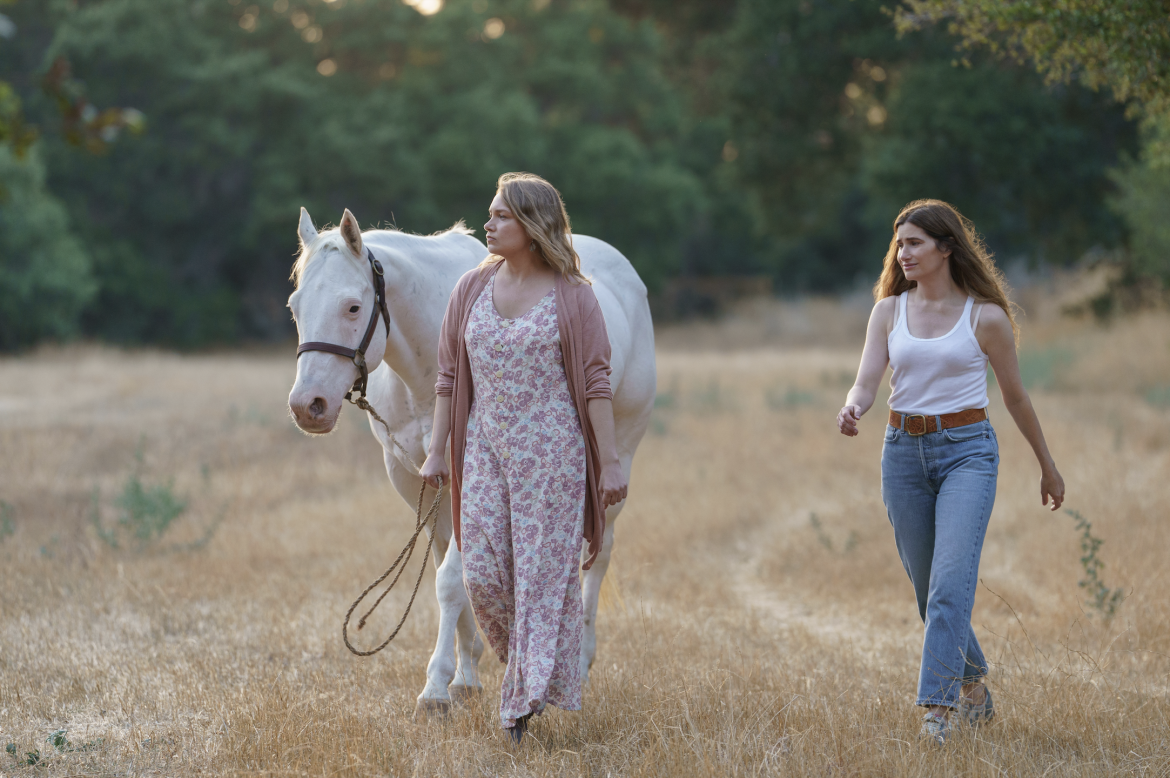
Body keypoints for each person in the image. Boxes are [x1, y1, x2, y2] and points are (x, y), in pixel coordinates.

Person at [836, 199, 1065, 745]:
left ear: (946, 247)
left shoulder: (984, 317)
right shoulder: (888, 311)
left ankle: (936, 712)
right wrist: (853, 406)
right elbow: (867, 379)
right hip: (902, 454)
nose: (903, 252)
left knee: (948, 587)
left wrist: (1047, 466)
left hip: (968, 453)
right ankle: (974, 688)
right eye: (900, 243)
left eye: (914, 242)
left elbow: (1015, 397)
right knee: (926, 591)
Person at [419, 172, 627, 746]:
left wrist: (608, 463)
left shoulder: (573, 294)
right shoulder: (469, 289)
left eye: (501, 217)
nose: (488, 225)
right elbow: (448, 377)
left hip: (552, 455)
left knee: (540, 578)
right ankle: (533, 671)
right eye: (489, 214)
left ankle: (519, 706)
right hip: (485, 449)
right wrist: (437, 450)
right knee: (482, 574)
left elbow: (595, 380)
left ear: (533, 226)